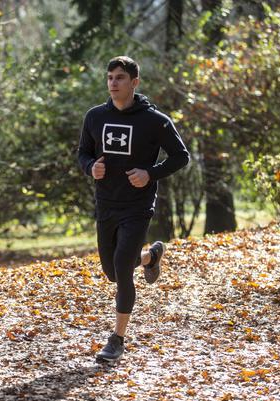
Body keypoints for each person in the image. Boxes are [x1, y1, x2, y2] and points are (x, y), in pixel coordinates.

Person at [77, 56, 191, 363]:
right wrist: (91, 168)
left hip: (138, 206)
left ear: (134, 83)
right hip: (107, 203)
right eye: (110, 77)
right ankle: (151, 256)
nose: (113, 83)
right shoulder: (95, 116)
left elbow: (181, 156)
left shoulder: (155, 121)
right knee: (113, 271)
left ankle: (117, 339)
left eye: (120, 78)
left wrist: (149, 173)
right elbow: (83, 153)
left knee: (123, 272)